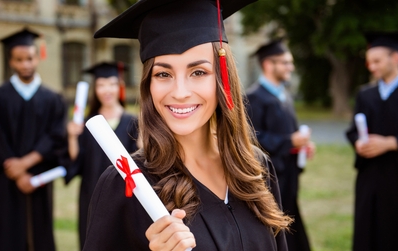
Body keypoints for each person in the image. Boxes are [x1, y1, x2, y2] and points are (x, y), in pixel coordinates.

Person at [83, 0, 292, 250]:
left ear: (223, 79)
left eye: (198, 72)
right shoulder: (127, 185)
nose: (180, 92)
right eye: (163, 74)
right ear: (149, 86)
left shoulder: (255, 168)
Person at [0, 28, 67, 251]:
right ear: (11, 61)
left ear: (37, 58)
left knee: (38, 233)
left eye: (29, 58)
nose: (25, 64)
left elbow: (57, 136)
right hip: (6, 177)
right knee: (4, 233)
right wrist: (16, 170)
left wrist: (25, 164)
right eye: (19, 60)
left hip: (38, 176)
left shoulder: (53, 98)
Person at [345, 32, 398, 251]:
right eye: (369, 61)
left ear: (395, 58)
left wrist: (391, 143)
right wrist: (358, 142)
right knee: (368, 232)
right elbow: (352, 131)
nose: (371, 66)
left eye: (377, 61)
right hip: (370, 177)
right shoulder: (366, 94)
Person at [245, 40, 313, 251]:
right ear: (268, 64)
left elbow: (288, 132)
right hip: (269, 176)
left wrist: (302, 145)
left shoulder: (284, 95)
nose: (290, 67)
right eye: (285, 62)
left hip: (289, 172)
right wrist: (288, 142)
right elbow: (250, 136)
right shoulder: (253, 97)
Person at [65, 62, 139, 249]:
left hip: (124, 196)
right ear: (95, 89)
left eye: (112, 84)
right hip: (92, 193)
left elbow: (139, 162)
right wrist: (73, 137)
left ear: (119, 86)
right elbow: (77, 162)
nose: (107, 90)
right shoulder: (87, 124)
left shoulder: (133, 122)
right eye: (101, 85)